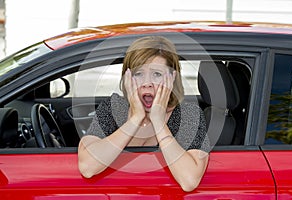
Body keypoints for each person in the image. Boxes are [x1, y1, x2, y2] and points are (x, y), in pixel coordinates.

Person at [78, 36, 210, 192]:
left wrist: (158, 121)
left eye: (157, 74)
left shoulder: (189, 115)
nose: (147, 83)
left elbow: (189, 181)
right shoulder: (114, 108)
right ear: (127, 77)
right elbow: (87, 167)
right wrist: (135, 119)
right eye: (139, 73)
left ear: (172, 78)